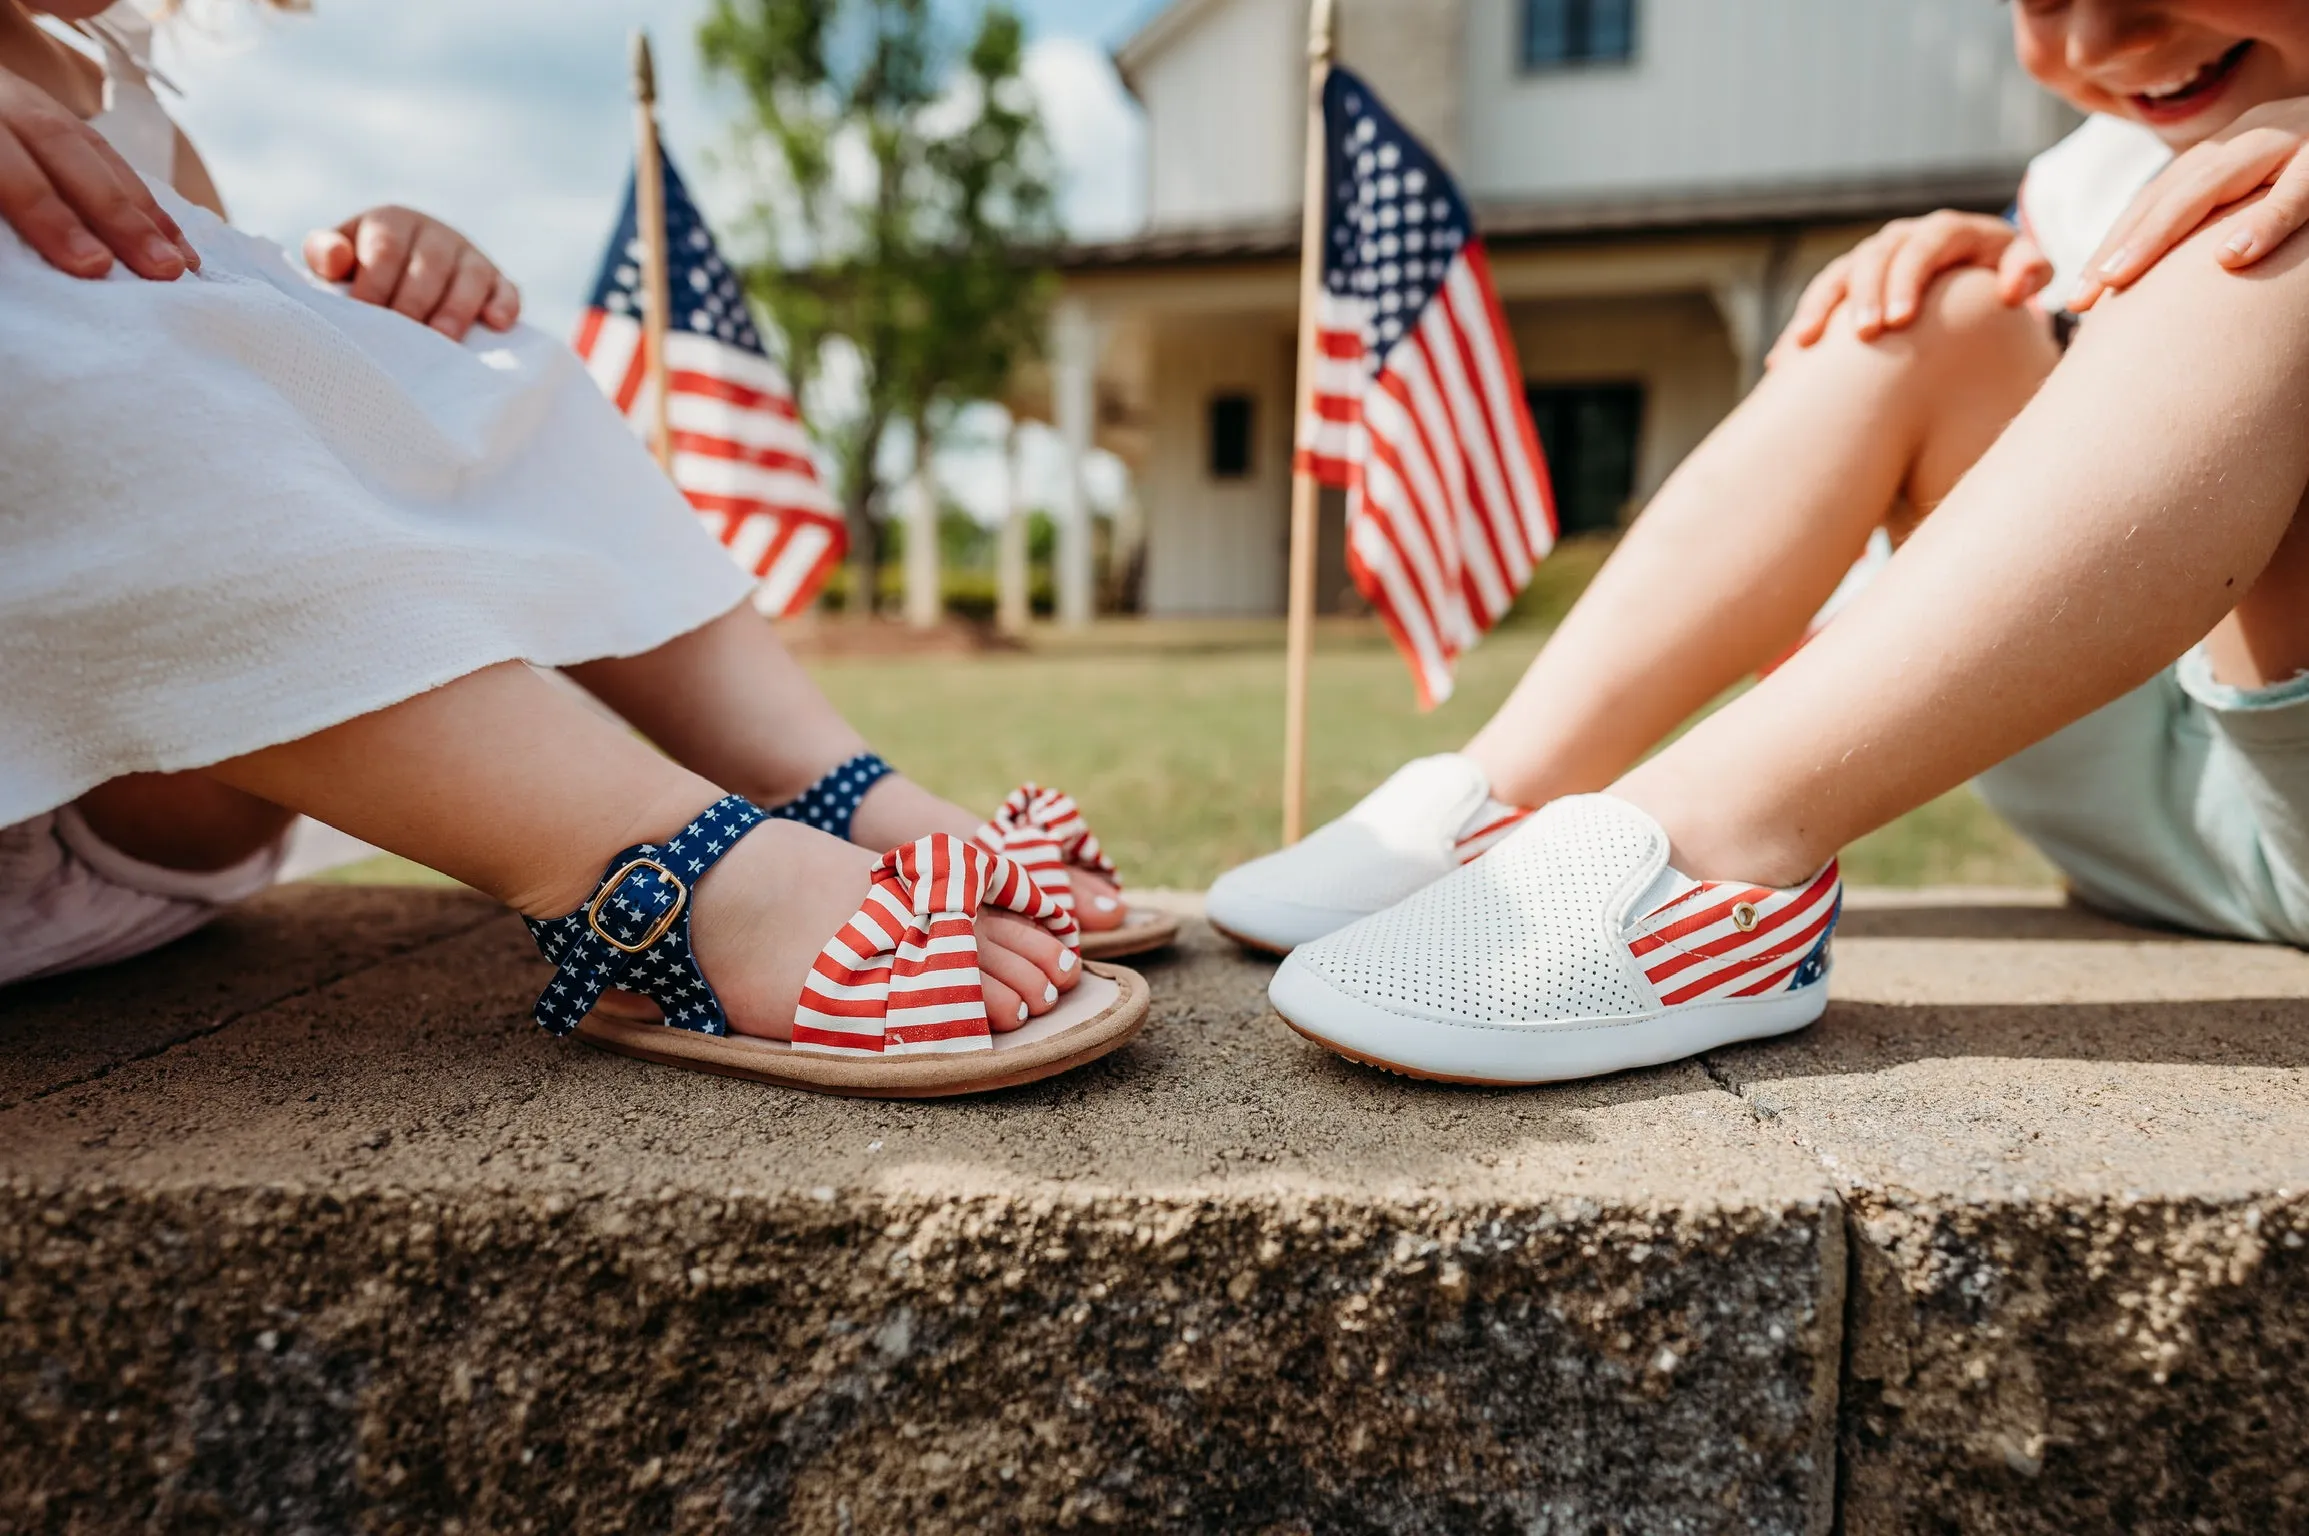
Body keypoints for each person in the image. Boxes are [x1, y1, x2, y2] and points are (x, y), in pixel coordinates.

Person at [0, 0, 1150, 1092]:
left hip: (142, 807)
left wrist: (345, 313)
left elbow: (203, 382)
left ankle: (803, 785)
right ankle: (651, 876)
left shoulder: (111, 81)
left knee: (475, 352)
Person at [1216, 1, 2309, 1085]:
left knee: (2267, 235)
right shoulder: (2091, 171)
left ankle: (1714, 847)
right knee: (1937, 305)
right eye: (2041, 1)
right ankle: (1510, 792)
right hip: (2124, 792)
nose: (2092, 44)